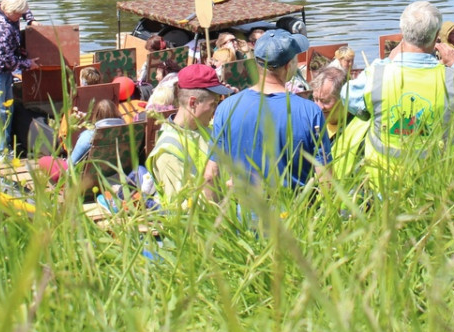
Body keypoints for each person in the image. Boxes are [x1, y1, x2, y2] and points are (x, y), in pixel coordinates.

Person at [346, 1, 454, 184]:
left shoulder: (377, 75)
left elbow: (349, 98)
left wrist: (387, 61)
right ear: (436, 38)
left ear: (403, 34)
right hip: (436, 185)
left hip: (383, 187)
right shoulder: (451, 80)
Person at [203, 29, 330, 197]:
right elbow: (326, 180)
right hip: (297, 215)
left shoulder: (226, 108)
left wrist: (219, 217)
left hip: (246, 216)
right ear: (288, 65)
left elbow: (210, 176)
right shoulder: (310, 111)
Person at [146, 64, 235, 204]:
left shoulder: (208, 128)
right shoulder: (168, 150)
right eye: (214, 104)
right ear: (193, 103)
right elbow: (180, 209)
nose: (216, 110)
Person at [0, 0, 38, 150]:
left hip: (3, 69)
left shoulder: (3, 7)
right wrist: (28, 64)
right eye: (17, 14)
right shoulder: (2, 29)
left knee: (8, 107)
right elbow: (9, 62)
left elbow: (23, 9)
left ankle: (5, 143)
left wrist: (31, 19)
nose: (19, 17)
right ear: (10, 11)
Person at [310, 65, 369, 186]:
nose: (318, 107)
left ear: (344, 99)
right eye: (315, 99)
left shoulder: (363, 127)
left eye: (325, 101)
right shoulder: (312, 120)